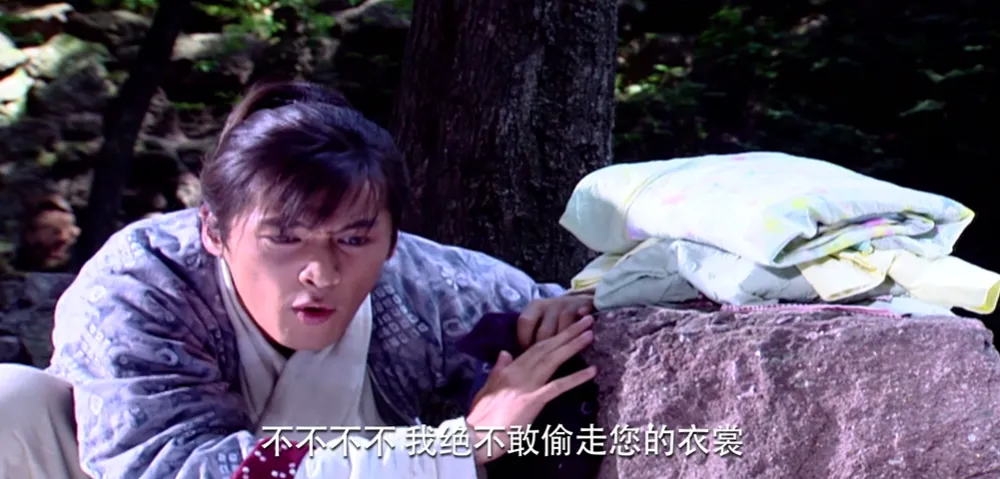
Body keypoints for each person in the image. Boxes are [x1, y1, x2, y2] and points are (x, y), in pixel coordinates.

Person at [0, 80, 598, 479]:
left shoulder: (428, 285)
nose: (321, 272)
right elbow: (177, 469)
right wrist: (453, 448)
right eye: (284, 239)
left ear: (393, 239)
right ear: (213, 230)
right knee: (12, 405)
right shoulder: (144, 286)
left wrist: (568, 307)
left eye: (355, 239)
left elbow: (581, 297)